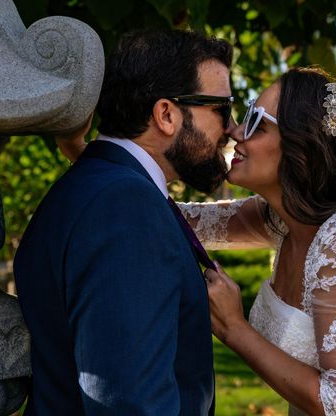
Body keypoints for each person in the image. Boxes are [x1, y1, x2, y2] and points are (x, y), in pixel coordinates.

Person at [179, 66, 336, 415]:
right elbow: (175, 218)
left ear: (305, 149)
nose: (236, 131)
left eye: (257, 122)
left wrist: (234, 328)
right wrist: (95, 155)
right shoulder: (285, 220)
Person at [14, 28, 235, 415]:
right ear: (166, 114)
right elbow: (130, 402)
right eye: (223, 110)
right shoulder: (125, 205)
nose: (231, 129)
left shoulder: (102, 185)